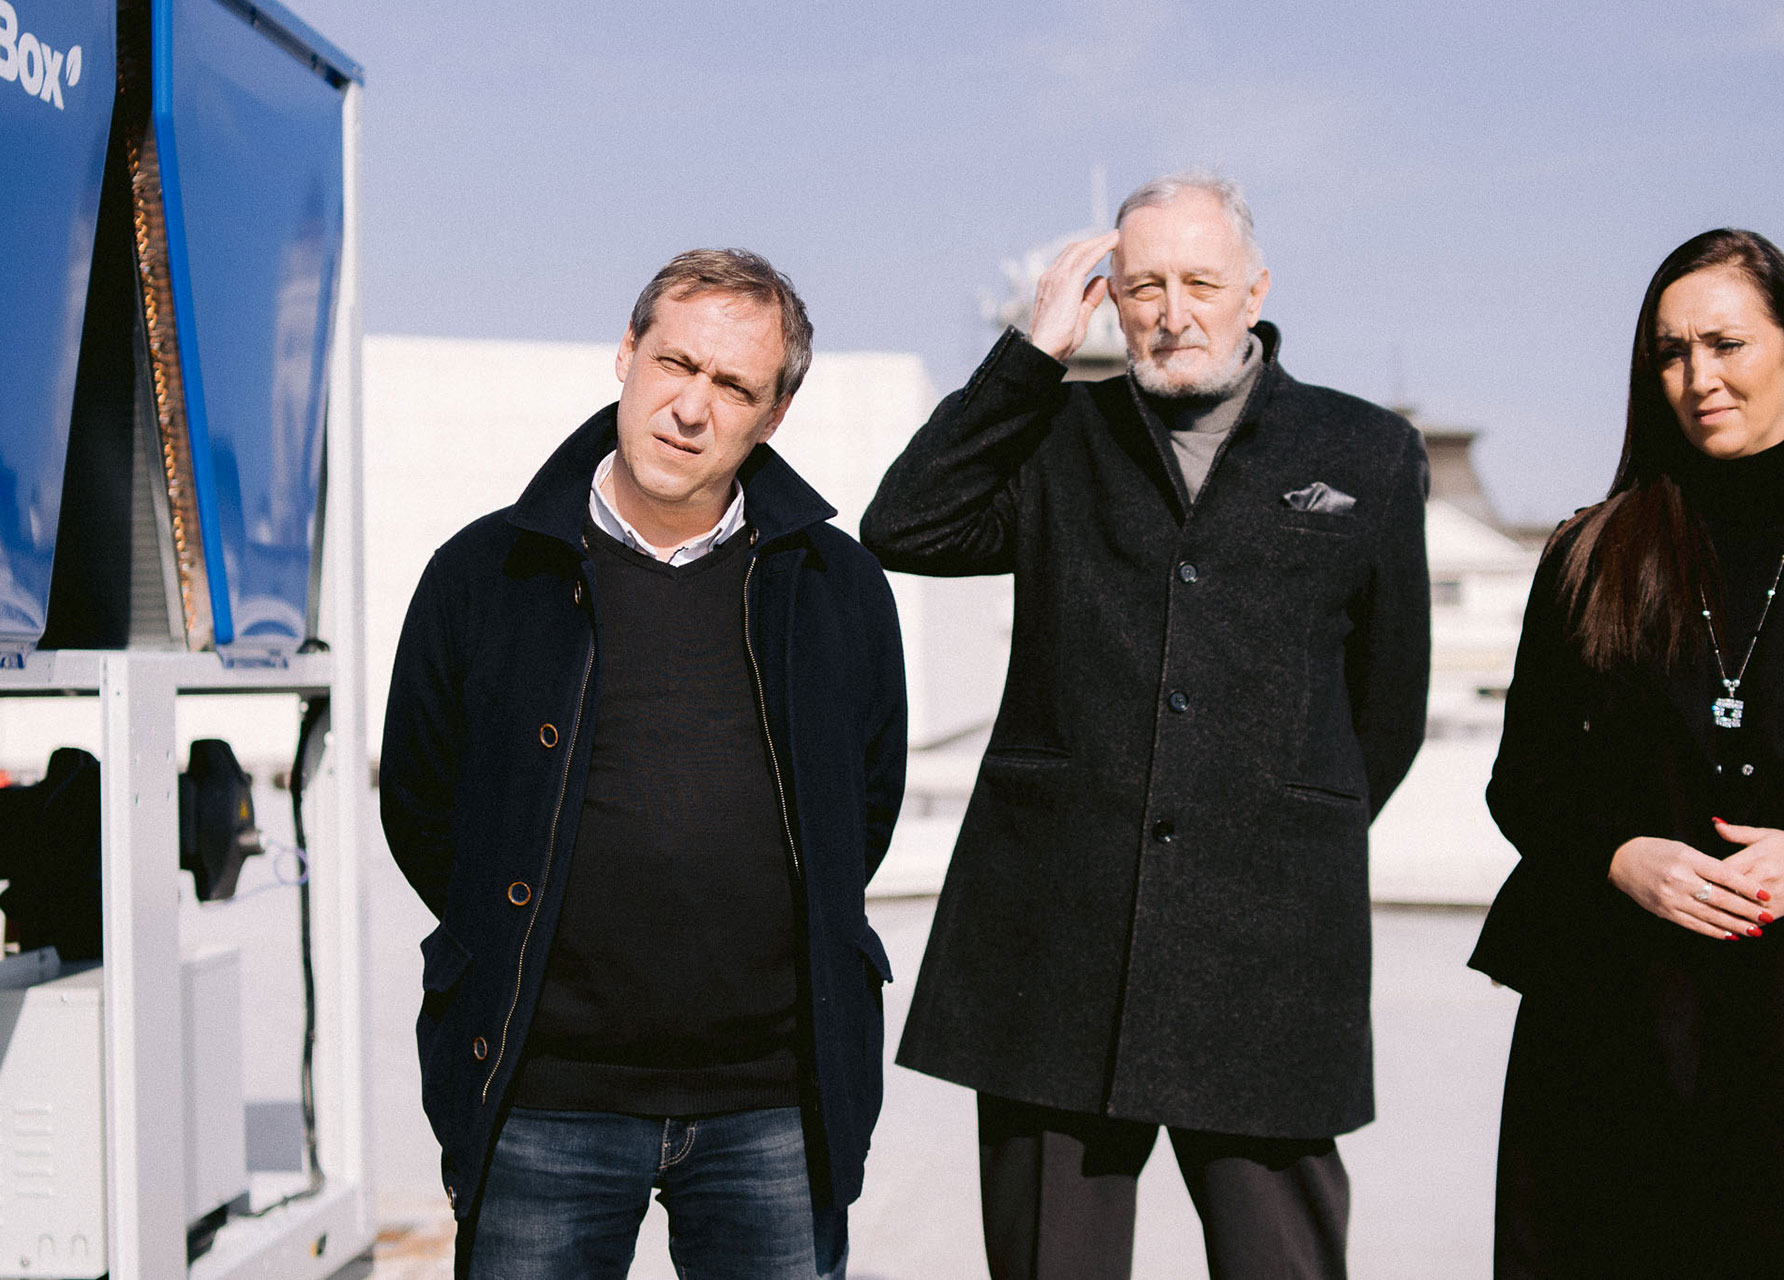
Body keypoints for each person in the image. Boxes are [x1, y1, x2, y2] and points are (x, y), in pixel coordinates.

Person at [861, 170, 1430, 1279]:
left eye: (1201, 283)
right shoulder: (1053, 432)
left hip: (1268, 951)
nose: (1173, 312)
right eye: (1144, 285)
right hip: (1053, 940)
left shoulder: (1366, 451)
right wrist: (1031, 353)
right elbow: (906, 523)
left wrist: (1272, 832)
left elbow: (1387, 706)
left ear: (1255, 289)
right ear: (1109, 300)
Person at [380, 248, 907, 1280]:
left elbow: (864, 807)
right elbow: (422, 805)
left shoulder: (835, 585)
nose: (692, 408)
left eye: (734, 386)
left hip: (775, 1100)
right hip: (543, 1094)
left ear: (774, 414)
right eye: (676, 363)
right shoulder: (487, 573)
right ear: (626, 352)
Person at [1470, 228, 1784, 1277]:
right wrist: (1621, 854)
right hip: (1617, 1034)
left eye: (1726, 343)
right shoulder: (1591, 553)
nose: (1699, 377)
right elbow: (1523, 779)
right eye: (1670, 351)